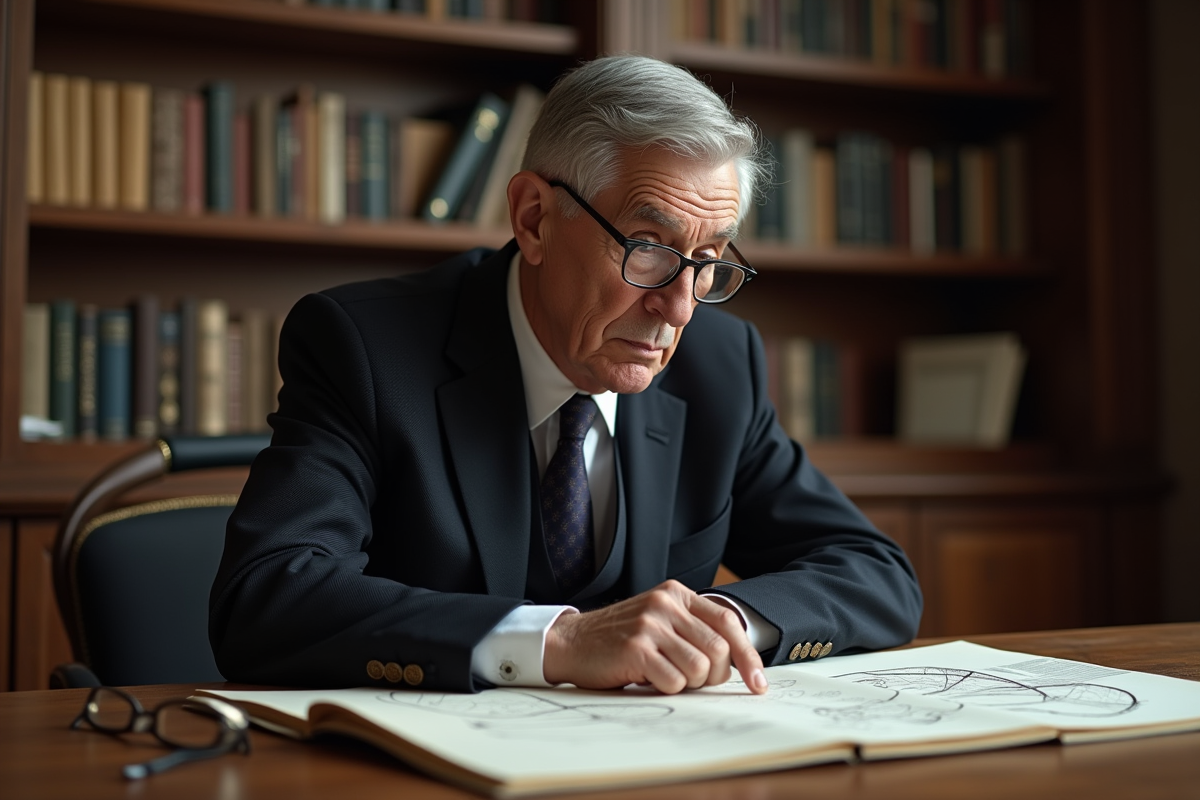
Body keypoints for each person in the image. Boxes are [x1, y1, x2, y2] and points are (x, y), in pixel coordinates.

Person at [209, 55, 922, 696]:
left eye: (708, 259)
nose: (678, 307)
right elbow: (266, 599)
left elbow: (875, 572)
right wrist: (557, 642)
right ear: (534, 219)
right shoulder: (366, 348)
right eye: (648, 249)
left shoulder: (719, 367)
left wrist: (720, 622)